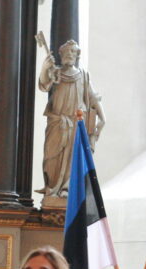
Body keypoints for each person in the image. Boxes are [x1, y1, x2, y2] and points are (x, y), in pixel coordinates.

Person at [37, 39, 106, 201]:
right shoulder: (56, 73)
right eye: (66, 51)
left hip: (77, 123)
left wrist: (102, 118)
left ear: (77, 55)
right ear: (60, 54)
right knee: (51, 157)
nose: (69, 54)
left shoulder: (83, 76)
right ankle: (52, 187)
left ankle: (67, 188)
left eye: (73, 51)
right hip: (57, 123)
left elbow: (93, 98)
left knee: (73, 157)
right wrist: (45, 68)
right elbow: (44, 85)